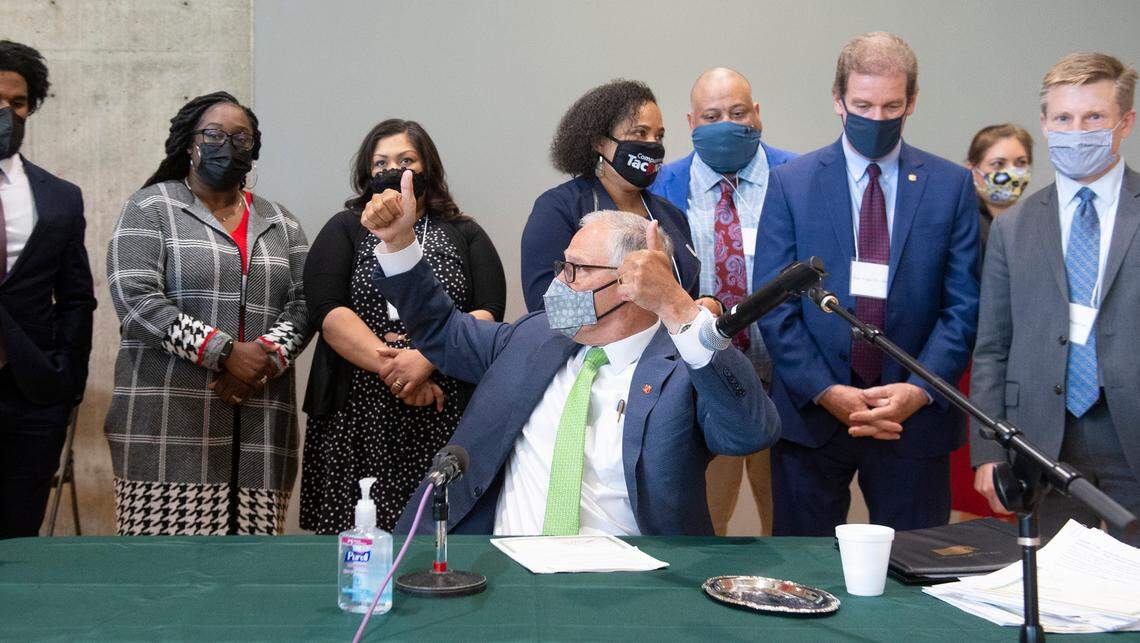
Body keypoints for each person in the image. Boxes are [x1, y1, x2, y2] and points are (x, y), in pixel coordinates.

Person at [368, 173, 778, 536]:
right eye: (562, 266)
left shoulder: (683, 369)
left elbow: (751, 432)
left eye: (575, 270)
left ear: (629, 283)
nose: (559, 283)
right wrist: (400, 244)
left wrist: (679, 308)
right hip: (504, 568)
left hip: (629, 586)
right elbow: (442, 332)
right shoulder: (533, 337)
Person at [754, 32, 980, 536]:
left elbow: (962, 307)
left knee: (917, 575)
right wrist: (825, 389)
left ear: (912, 102)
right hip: (813, 419)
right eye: (862, 104)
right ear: (838, 100)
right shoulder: (793, 182)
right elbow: (774, 305)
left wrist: (919, 391)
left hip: (912, 419)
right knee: (803, 575)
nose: (877, 118)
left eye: (891, 105)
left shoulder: (951, 187)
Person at [105, 91, 310, 535]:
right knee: (165, 580)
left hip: (259, 420)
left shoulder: (282, 222)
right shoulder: (151, 207)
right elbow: (136, 299)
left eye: (242, 138)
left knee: (248, 579)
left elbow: (306, 302)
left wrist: (261, 360)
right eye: (215, 134)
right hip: (167, 423)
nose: (228, 146)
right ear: (189, 143)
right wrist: (223, 352)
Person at [300, 119, 506, 534]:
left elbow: (488, 312)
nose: (393, 169)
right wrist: (395, 371)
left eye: (406, 160)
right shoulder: (344, 228)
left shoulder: (464, 233)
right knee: (357, 534)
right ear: (365, 174)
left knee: (437, 536)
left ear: (427, 167)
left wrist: (425, 359)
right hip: (356, 411)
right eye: (381, 163)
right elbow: (327, 311)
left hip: (443, 407)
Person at [971, 53, 1140, 546]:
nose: (1077, 130)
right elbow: (992, 347)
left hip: (1131, 432)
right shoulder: (1014, 227)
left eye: (1094, 118)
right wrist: (987, 450)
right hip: (1043, 440)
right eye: (1064, 118)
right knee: (1059, 595)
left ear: (1124, 123)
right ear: (1044, 124)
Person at [650, 67, 797, 536]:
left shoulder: (798, 176)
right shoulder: (659, 187)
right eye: (711, 116)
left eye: (737, 113)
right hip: (704, 384)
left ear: (758, 115)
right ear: (691, 122)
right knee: (705, 530)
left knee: (795, 528)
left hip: (791, 381)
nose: (725, 124)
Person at [0, 41, 96, 538]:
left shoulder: (60, 196)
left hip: (31, 393)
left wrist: (66, 380)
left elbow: (76, 296)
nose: (6, 113)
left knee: (19, 538)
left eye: (16, 104)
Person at [520, 79, 701, 313]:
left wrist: (705, 304)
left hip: (673, 348)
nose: (653, 145)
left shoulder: (671, 215)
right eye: (640, 133)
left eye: (659, 136)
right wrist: (644, 306)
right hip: (595, 349)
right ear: (600, 142)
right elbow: (547, 309)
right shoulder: (558, 209)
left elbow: (686, 294)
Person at [966, 123, 1034, 264]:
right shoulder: (965, 224)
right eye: (998, 164)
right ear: (972, 169)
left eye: (1020, 162)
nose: (1012, 173)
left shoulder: (1036, 221)